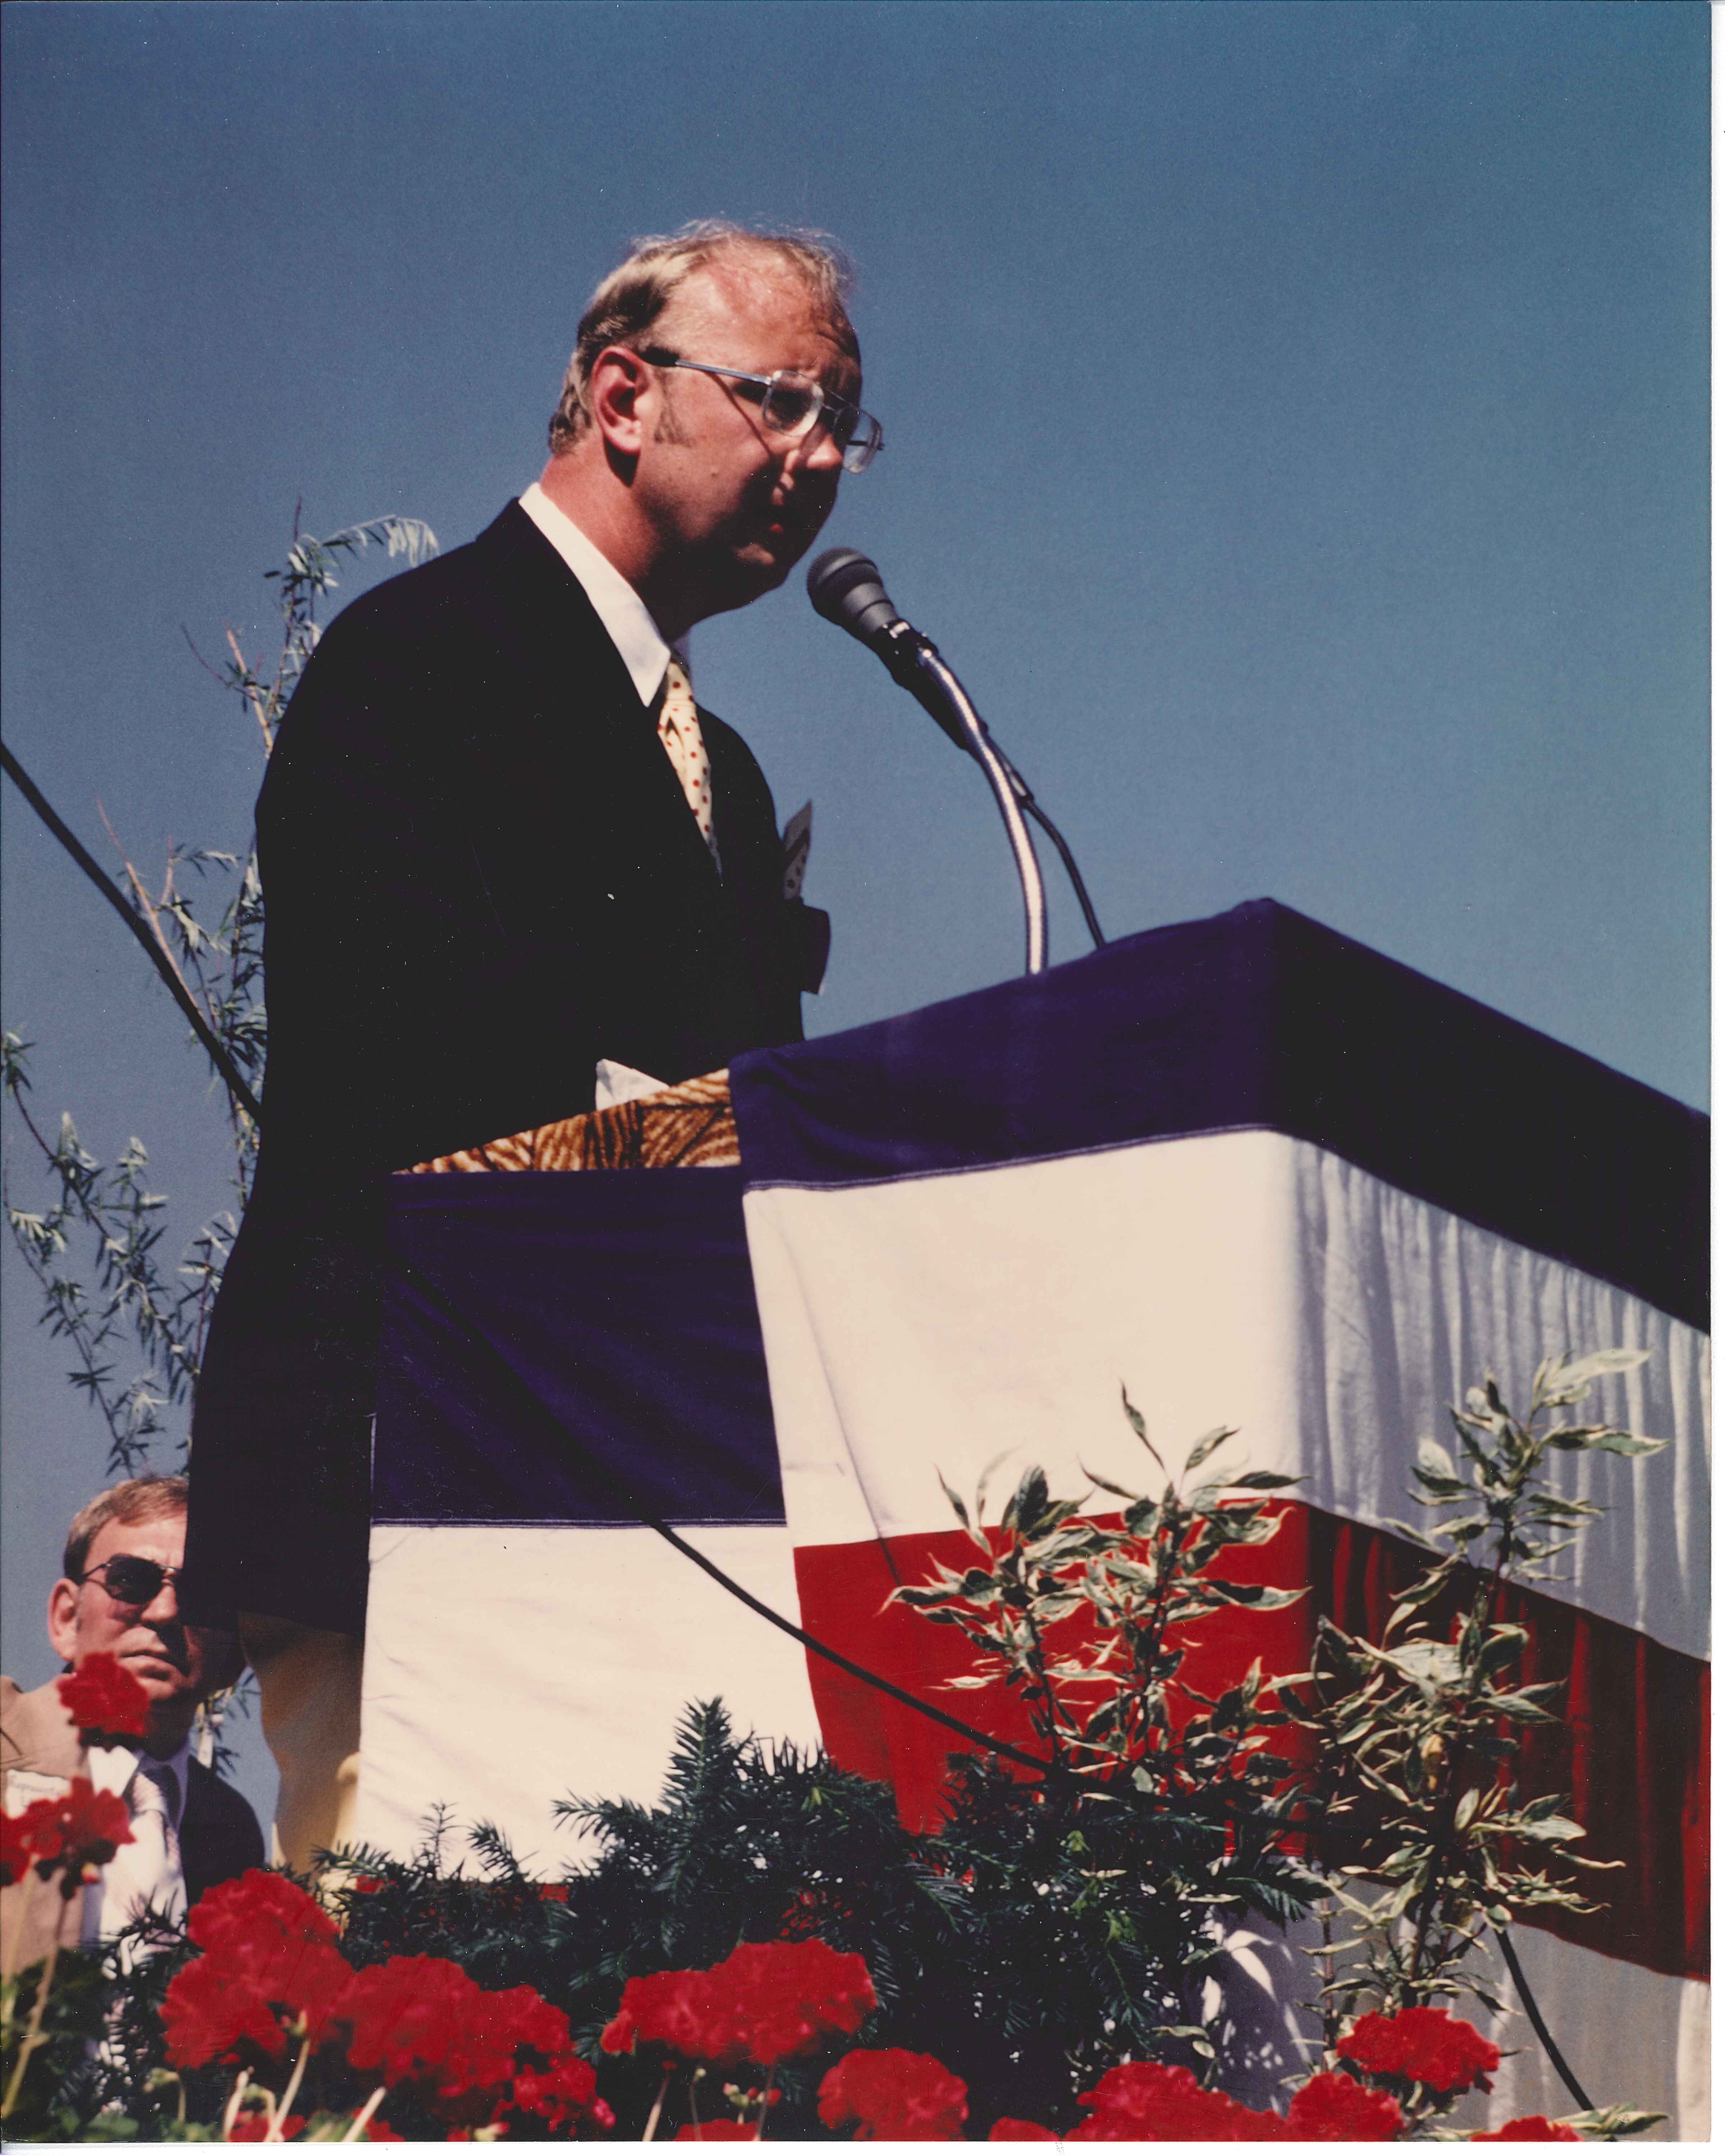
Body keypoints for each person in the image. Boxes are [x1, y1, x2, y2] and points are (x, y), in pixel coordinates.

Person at [181, 221, 878, 1869]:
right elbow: (402, 1064)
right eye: (784, 401)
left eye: (847, 419)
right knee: (412, 2038)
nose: (825, 456)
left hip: (659, 1500)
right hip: (414, 1476)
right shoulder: (416, 662)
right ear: (624, 395)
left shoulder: (727, 763)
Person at [1, 1476, 262, 1970]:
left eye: (199, 1593)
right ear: (66, 1619)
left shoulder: (231, 1831)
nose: (165, 1610)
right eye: (130, 1580)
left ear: (234, 1657)